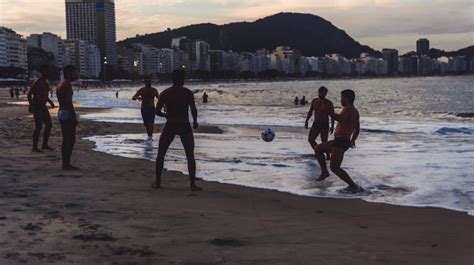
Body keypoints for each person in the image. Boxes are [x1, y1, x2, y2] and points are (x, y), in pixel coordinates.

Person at [154, 69, 202, 191]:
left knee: (161, 154)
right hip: (184, 125)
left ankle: (158, 181)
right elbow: (193, 109)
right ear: (182, 79)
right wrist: (195, 121)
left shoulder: (165, 93)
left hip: (170, 125)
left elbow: (157, 111)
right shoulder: (187, 93)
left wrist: (166, 115)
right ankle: (192, 184)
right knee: (190, 155)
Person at [314, 89, 361, 193]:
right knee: (318, 148)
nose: (341, 99)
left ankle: (353, 186)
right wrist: (353, 140)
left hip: (341, 141)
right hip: (341, 140)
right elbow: (357, 128)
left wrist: (329, 112)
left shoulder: (348, 108)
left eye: (342, 97)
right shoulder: (355, 110)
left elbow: (340, 118)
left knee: (335, 167)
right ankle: (324, 172)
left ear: (346, 98)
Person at [27, 64, 55, 152]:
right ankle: (34, 147)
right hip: (37, 106)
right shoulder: (37, 82)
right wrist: (31, 105)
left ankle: (44, 144)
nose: (48, 72)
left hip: (43, 106)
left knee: (49, 125)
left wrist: (50, 102)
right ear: (42, 72)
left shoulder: (46, 82)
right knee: (38, 126)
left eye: (48, 71)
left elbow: (44, 95)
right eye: (46, 71)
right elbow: (29, 94)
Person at [56, 65, 79, 170]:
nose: (75, 74)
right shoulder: (67, 85)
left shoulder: (60, 83)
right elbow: (68, 102)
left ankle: (65, 163)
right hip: (67, 112)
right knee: (70, 139)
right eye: (74, 72)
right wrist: (73, 117)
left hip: (61, 111)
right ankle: (66, 163)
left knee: (67, 139)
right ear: (69, 73)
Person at [305, 86, 335, 160]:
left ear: (325, 93)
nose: (321, 94)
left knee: (324, 142)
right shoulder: (314, 101)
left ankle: (328, 157)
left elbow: (332, 115)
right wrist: (306, 121)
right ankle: (318, 151)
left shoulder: (329, 103)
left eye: (323, 92)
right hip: (316, 123)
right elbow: (310, 111)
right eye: (320, 92)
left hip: (324, 124)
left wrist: (332, 126)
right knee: (310, 139)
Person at [132, 76, 159, 141]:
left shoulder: (154, 90)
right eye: (147, 81)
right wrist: (138, 98)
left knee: (151, 124)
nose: (148, 83)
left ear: (151, 82)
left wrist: (164, 106)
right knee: (147, 124)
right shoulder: (141, 90)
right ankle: (149, 136)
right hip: (144, 108)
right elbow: (133, 97)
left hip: (152, 108)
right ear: (144, 82)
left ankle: (150, 137)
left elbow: (159, 99)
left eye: (149, 81)